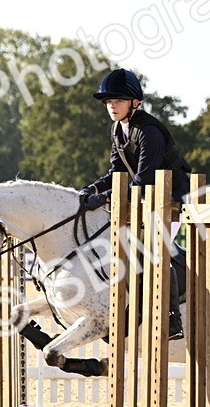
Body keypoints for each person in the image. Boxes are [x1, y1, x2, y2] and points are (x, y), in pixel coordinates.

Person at [78, 68, 193, 340]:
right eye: (108, 101)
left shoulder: (149, 131)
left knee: (154, 249)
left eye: (117, 100)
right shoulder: (117, 130)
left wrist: (105, 198)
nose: (111, 106)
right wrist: (91, 189)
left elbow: (142, 179)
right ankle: (134, 307)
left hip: (172, 200)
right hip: (148, 198)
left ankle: (173, 318)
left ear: (135, 102)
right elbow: (116, 173)